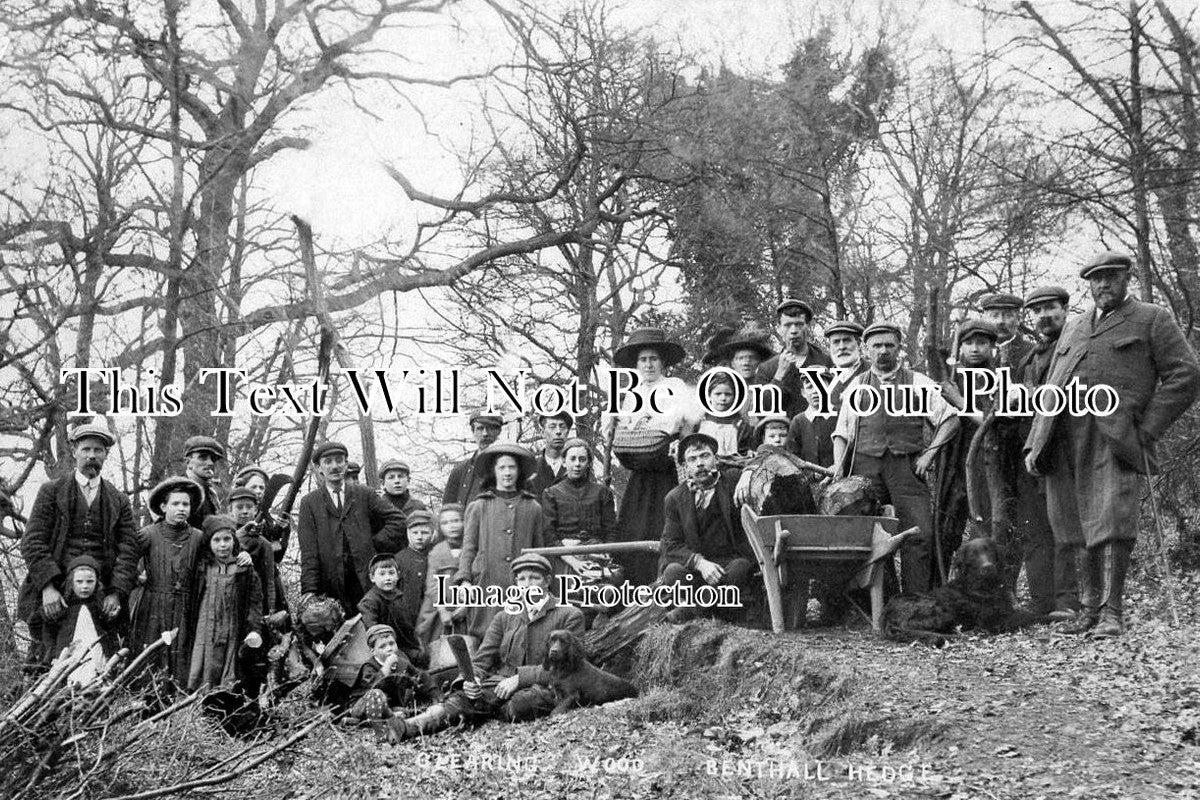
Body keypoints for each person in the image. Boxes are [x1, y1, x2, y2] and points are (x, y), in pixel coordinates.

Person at [1026, 251, 1200, 637]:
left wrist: (1147, 429)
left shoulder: (1151, 318)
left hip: (1113, 436)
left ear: (1127, 277)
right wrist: (1035, 442)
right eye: (1096, 278)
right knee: (1072, 525)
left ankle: (1112, 612)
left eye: (1111, 276)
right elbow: (1052, 384)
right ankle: (1089, 609)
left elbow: (1186, 376)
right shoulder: (1074, 326)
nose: (1103, 284)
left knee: (1112, 520)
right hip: (1062, 435)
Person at [386, 553, 585, 740]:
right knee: (465, 697)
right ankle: (409, 727)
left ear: (547, 581)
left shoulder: (569, 615)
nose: (528, 585)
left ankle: (488, 709)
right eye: (522, 579)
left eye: (535, 578)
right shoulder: (504, 617)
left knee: (522, 703)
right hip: (502, 684)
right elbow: (482, 659)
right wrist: (470, 680)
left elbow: (569, 665)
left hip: (548, 685)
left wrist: (520, 678)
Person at [832, 322, 957, 594]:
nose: (883, 351)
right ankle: (882, 599)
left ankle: (915, 600)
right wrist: (839, 470)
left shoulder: (917, 382)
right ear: (866, 349)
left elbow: (950, 419)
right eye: (876, 346)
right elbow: (842, 433)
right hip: (865, 469)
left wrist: (929, 454)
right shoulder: (857, 386)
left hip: (906, 468)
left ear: (899, 348)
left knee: (919, 533)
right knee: (866, 535)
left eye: (889, 345)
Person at [19, 423, 139, 665]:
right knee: (48, 661)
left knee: (103, 660)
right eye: (86, 449)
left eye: (98, 450)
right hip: (57, 594)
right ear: (74, 451)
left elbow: (129, 550)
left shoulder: (118, 500)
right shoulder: (51, 492)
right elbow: (32, 541)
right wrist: (47, 588)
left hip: (101, 596)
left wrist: (116, 593)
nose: (92, 455)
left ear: (106, 454)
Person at [608, 327, 698, 585]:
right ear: (636, 364)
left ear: (663, 362)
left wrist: (680, 444)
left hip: (667, 467)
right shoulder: (632, 395)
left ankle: (666, 582)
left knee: (666, 523)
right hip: (640, 470)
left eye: (653, 359)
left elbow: (688, 425)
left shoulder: (675, 386)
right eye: (643, 360)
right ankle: (634, 585)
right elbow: (626, 431)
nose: (648, 365)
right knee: (635, 525)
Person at [1016, 285, 1078, 618]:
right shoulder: (1031, 356)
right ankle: (1043, 602)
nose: (1043, 315)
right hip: (1037, 450)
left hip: (1070, 446)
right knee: (1038, 528)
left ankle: (1069, 600)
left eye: (1050, 308)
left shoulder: (1079, 344)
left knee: (1067, 525)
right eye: (1037, 311)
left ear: (1065, 309)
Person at [297, 441, 406, 613]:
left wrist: (373, 543)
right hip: (332, 586)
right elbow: (309, 551)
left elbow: (398, 520)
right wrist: (310, 590)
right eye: (328, 462)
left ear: (346, 464)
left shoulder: (364, 494)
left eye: (339, 460)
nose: (335, 466)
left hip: (367, 582)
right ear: (318, 468)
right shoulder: (310, 503)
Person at [658, 433, 755, 624]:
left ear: (716, 460)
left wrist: (747, 474)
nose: (700, 463)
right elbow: (670, 544)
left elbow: (761, 456)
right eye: (692, 459)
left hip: (728, 564)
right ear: (685, 466)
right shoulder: (675, 498)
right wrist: (700, 564)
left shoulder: (732, 481)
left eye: (705, 456)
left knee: (741, 568)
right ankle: (714, 610)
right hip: (697, 568)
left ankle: (692, 611)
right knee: (673, 572)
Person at [453, 443, 547, 638]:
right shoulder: (479, 506)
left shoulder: (533, 507)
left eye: (512, 467)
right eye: (502, 467)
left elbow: (539, 550)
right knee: (485, 634)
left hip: (521, 584)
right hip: (487, 582)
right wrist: (465, 580)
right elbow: (469, 547)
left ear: (519, 471)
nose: (507, 473)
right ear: (493, 471)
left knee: (519, 633)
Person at [129, 477, 207, 684]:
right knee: (151, 653)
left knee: (181, 652)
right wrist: (138, 578)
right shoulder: (148, 534)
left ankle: (178, 697)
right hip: (153, 605)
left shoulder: (198, 537)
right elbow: (125, 559)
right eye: (175, 503)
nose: (181, 508)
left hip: (186, 606)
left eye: (186, 504)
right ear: (163, 507)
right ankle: (148, 696)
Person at [186, 515, 264, 694]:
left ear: (234, 541)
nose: (222, 545)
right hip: (205, 629)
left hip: (233, 629)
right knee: (204, 668)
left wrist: (254, 629)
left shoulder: (245, 570)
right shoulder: (201, 568)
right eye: (217, 540)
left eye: (227, 539)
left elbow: (255, 604)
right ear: (209, 543)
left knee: (231, 673)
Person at [788, 320, 868, 468]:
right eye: (836, 342)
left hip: (866, 462)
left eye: (847, 340)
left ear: (859, 344)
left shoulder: (871, 374)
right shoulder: (831, 381)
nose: (841, 347)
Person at [42, 555, 120, 687]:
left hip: (96, 651)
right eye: (79, 582)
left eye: (90, 582)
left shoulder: (100, 605)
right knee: (70, 679)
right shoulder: (64, 606)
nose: (85, 586)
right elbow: (49, 631)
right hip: (71, 654)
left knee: (97, 676)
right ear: (71, 582)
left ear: (97, 582)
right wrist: (51, 654)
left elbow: (111, 631)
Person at [753, 299, 834, 418]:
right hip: (783, 429)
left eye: (799, 324)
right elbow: (762, 412)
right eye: (787, 325)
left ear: (808, 326)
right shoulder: (767, 368)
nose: (794, 331)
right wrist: (779, 375)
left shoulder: (827, 362)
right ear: (779, 328)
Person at [346, 624, 439, 721]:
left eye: (391, 643)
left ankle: (393, 716)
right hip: (364, 705)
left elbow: (421, 678)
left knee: (405, 711)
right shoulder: (369, 667)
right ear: (373, 651)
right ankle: (381, 719)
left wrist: (437, 697)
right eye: (382, 646)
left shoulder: (401, 662)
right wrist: (387, 665)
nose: (389, 648)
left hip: (388, 705)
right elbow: (375, 686)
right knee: (376, 694)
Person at [541, 438, 618, 547]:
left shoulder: (602, 493)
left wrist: (606, 552)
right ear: (564, 462)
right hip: (564, 552)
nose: (577, 464)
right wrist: (562, 547)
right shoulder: (551, 494)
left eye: (582, 459)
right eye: (572, 459)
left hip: (597, 551)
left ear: (589, 463)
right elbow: (548, 534)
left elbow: (611, 532)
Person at [415, 504, 469, 646]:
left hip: (468, 604)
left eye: (456, 521)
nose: (452, 526)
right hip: (441, 606)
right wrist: (442, 609)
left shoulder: (472, 548)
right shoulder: (436, 552)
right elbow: (432, 584)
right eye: (445, 523)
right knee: (438, 643)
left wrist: (467, 606)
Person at [357, 554, 424, 664]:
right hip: (388, 647)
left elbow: (408, 624)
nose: (387, 578)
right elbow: (374, 632)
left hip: (407, 643)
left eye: (391, 573)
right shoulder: (370, 602)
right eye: (382, 574)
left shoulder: (398, 595)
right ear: (372, 578)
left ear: (398, 575)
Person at [442, 412, 503, 506]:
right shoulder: (460, 471)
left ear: (498, 432)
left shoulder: (509, 470)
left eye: (490, 428)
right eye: (480, 428)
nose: (485, 434)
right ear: (473, 431)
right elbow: (447, 509)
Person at [693, 371, 755, 458]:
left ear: (735, 397)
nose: (723, 398)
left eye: (728, 394)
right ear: (709, 396)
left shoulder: (740, 425)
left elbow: (744, 451)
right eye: (718, 394)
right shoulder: (700, 421)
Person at [394, 509, 435, 630]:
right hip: (407, 622)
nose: (419, 537)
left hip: (433, 619)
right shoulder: (398, 560)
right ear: (408, 533)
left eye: (424, 532)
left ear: (432, 533)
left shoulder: (437, 556)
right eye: (415, 533)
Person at [979, 292, 1034, 369]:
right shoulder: (975, 352)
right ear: (984, 319)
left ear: (1018, 319)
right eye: (994, 316)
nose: (1000, 321)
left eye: (1008, 315)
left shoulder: (1032, 352)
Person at [182, 436, 226, 529]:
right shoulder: (180, 491)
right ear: (188, 462)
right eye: (203, 457)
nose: (210, 463)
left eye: (213, 459)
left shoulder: (211, 493)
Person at [527, 411, 573, 497]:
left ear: (568, 432)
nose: (558, 431)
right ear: (542, 432)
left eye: (562, 427)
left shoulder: (576, 467)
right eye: (552, 427)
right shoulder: (531, 468)